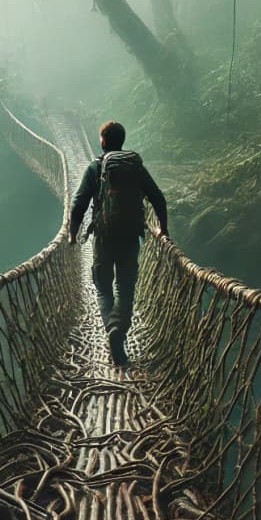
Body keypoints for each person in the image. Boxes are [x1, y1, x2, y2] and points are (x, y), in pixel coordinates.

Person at [69, 121, 168, 366]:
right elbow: (158, 197)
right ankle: (119, 331)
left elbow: (78, 204)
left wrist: (72, 234)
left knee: (102, 286)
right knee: (125, 288)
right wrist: (163, 230)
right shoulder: (135, 167)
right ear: (122, 140)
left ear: (103, 141)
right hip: (131, 234)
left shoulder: (96, 167)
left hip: (104, 236)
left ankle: (111, 329)